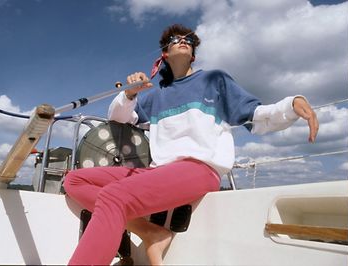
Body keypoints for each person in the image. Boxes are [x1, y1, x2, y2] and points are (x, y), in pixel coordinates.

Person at [63, 24, 319, 265]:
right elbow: (118, 118)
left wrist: (291, 105)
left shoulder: (214, 80)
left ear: (193, 55)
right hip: (159, 172)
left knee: (113, 196)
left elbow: (255, 114)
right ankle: (151, 232)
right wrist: (130, 93)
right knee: (73, 180)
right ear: (164, 53)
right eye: (176, 40)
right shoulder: (154, 94)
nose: (183, 42)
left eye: (188, 41)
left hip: (199, 169)